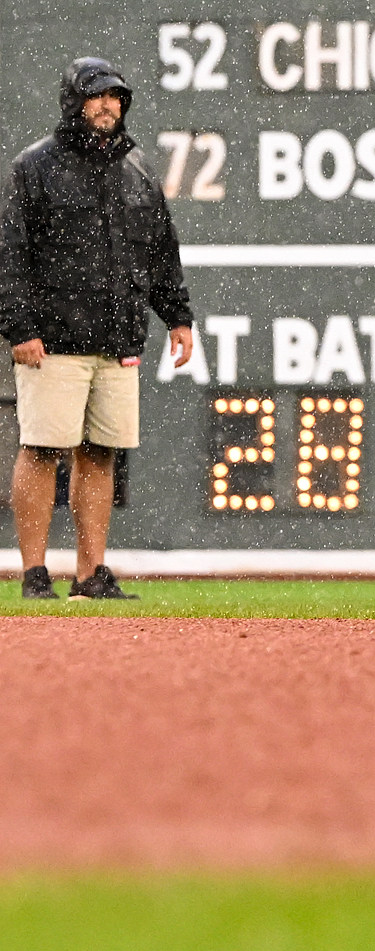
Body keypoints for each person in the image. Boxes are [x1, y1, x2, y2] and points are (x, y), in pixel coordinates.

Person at [1, 59, 195, 601]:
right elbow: (10, 254)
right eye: (97, 96)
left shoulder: (137, 167)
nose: (108, 105)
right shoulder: (34, 166)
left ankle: (90, 575)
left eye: (116, 97)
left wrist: (177, 316)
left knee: (101, 454)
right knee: (41, 448)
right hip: (52, 340)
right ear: (73, 103)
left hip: (117, 339)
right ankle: (34, 575)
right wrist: (19, 326)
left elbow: (159, 251)